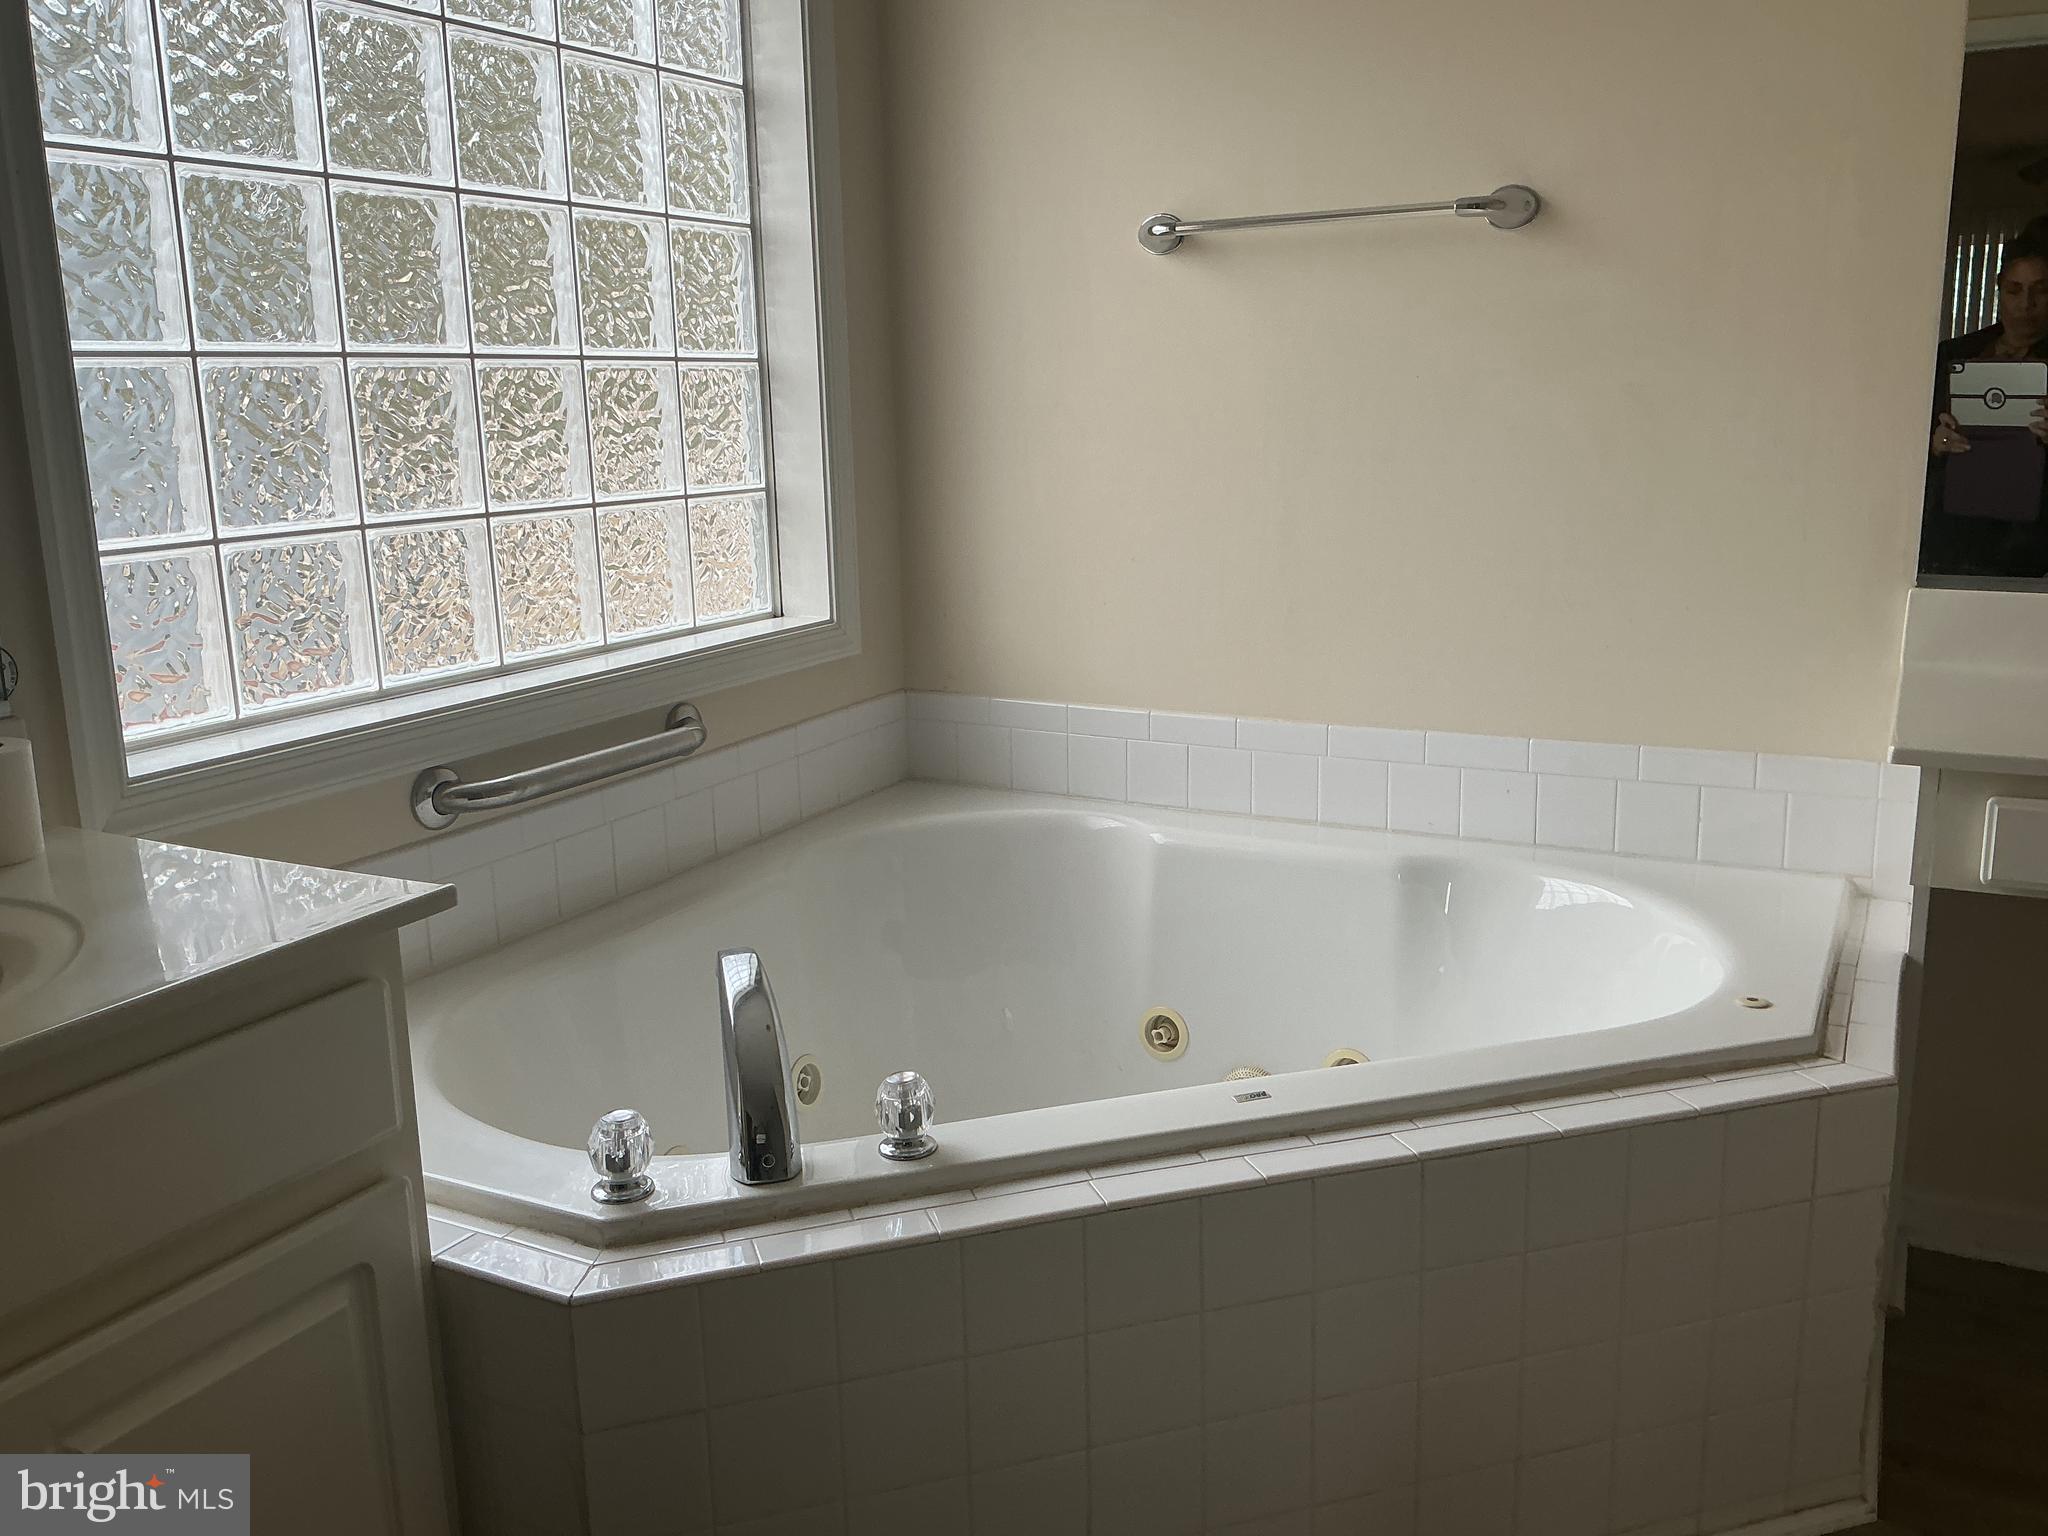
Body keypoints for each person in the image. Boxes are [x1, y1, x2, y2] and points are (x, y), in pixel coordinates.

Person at [1924, 235, 2048, 575]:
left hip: (2033, 544)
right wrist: (1931, 444)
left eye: (2040, 290)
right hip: (1951, 535)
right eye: (2014, 290)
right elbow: (1898, 443)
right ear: (1998, 289)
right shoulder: (1953, 355)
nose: (2026, 304)